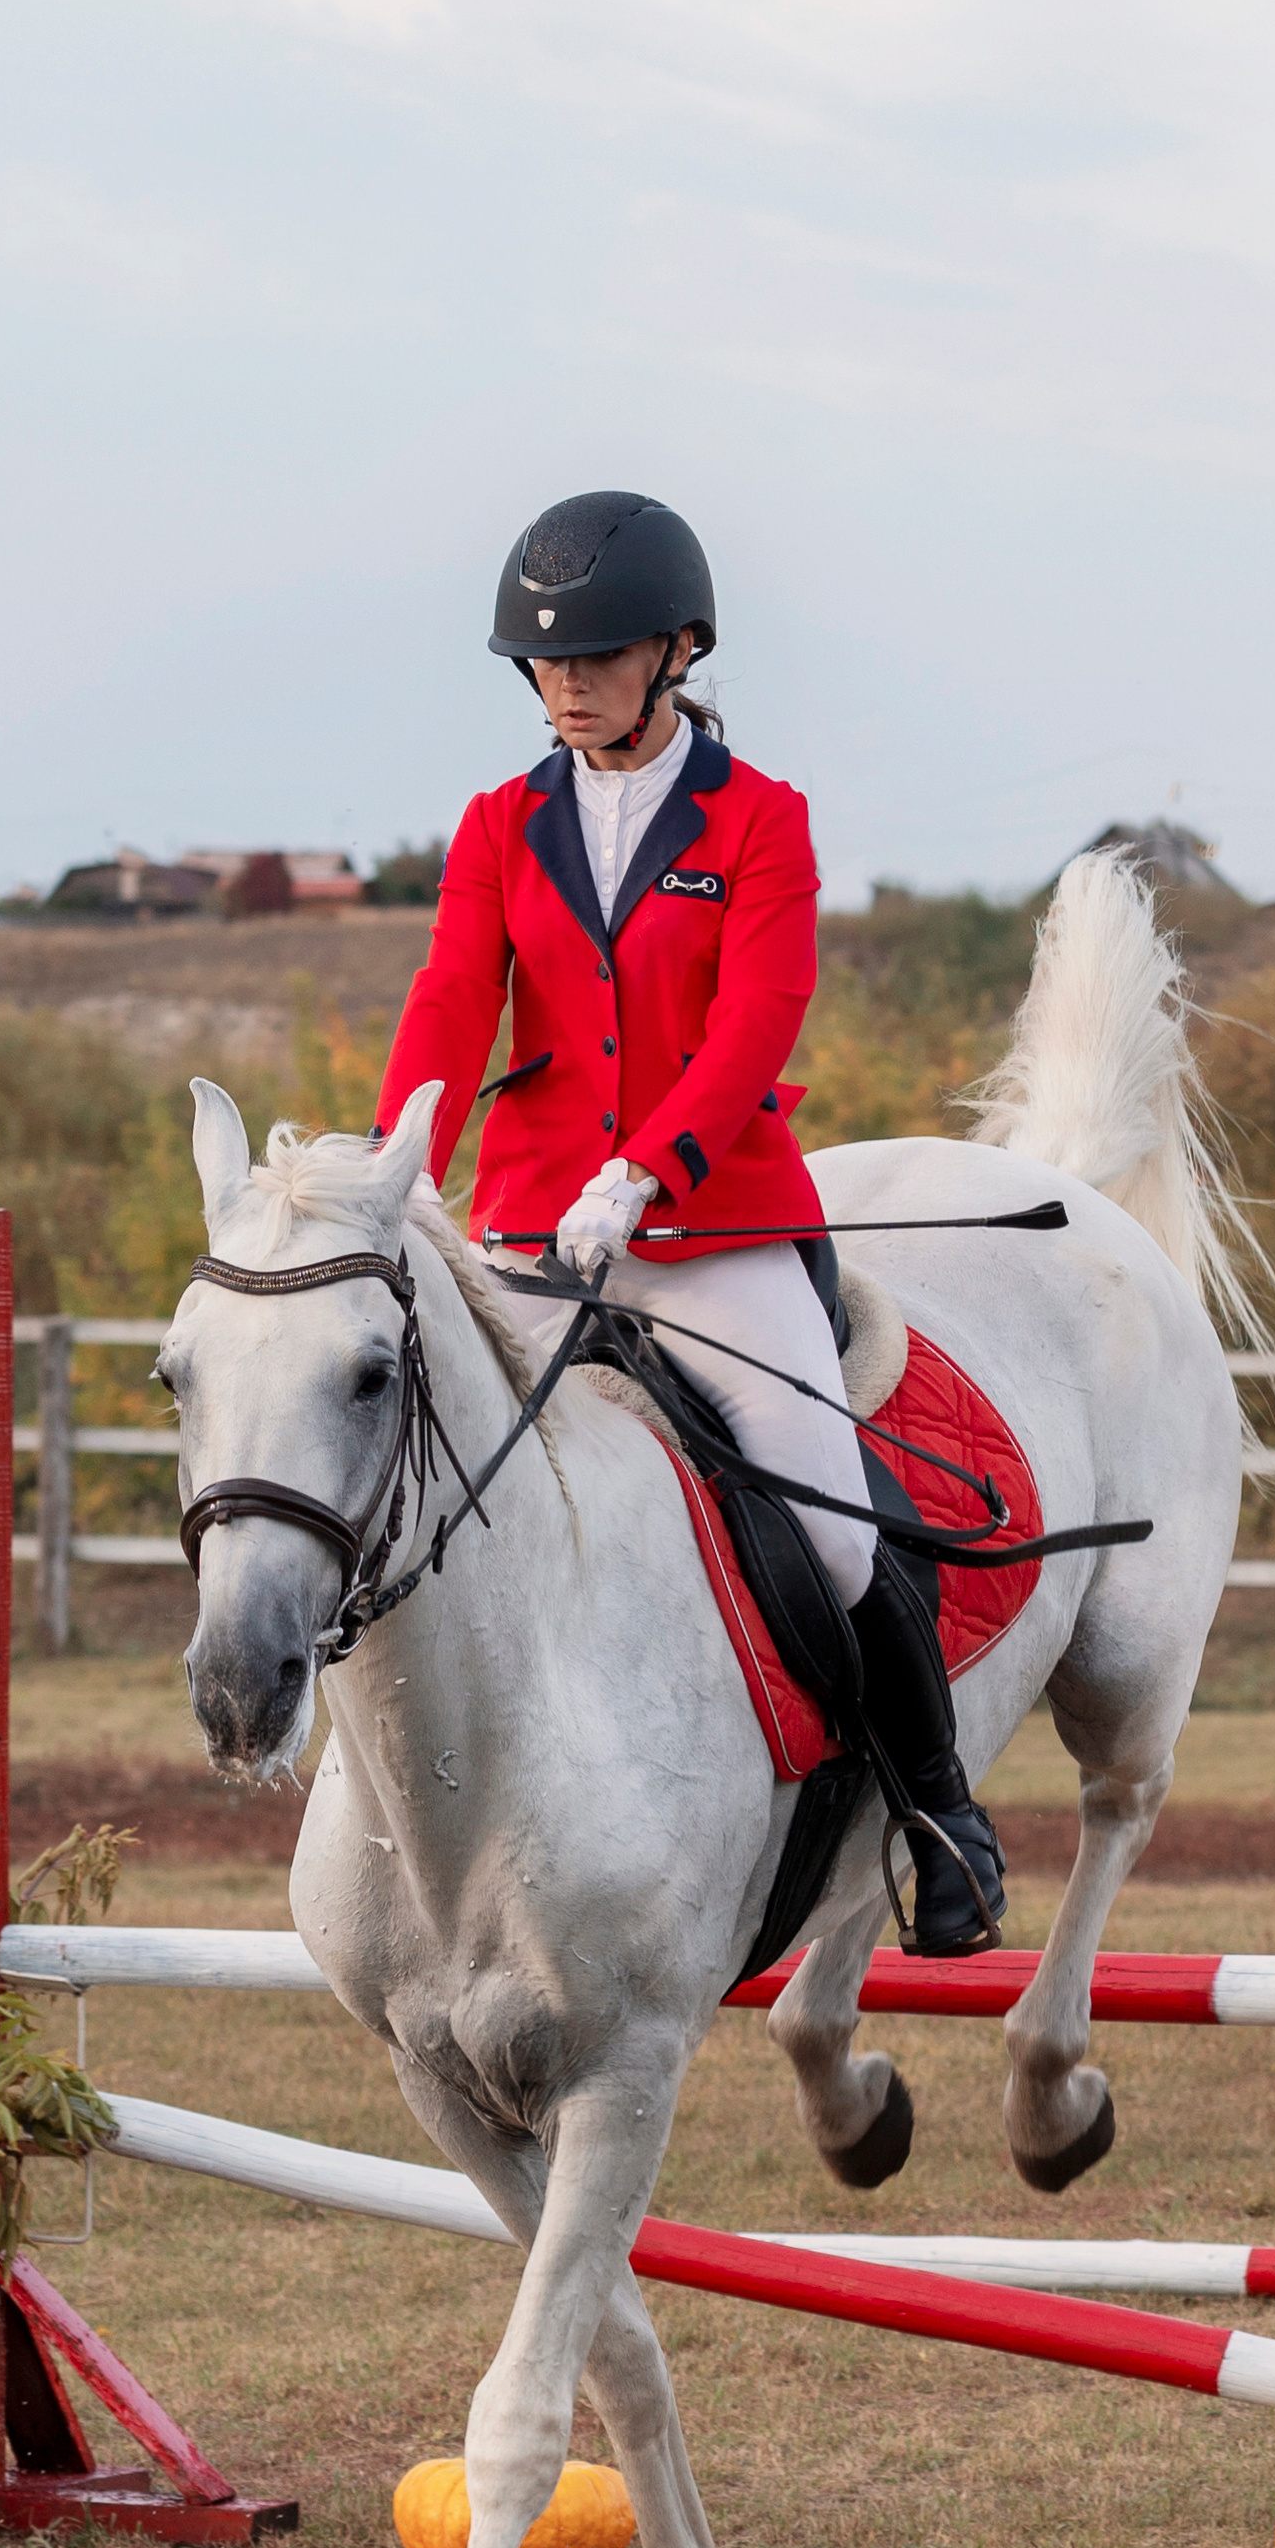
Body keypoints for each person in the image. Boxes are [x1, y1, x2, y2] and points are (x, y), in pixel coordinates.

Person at [372, 487, 1005, 1953]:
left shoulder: (760, 824)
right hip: (534, 1224)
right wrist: (407, 1151)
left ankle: (936, 1815)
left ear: (675, 650)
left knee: (835, 1527)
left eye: (596, 655)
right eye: (544, 662)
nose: (568, 683)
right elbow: (455, 996)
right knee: (423, 1472)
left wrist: (650, 1170)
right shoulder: (495, 826)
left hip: (712, 1230)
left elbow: (755, 1023)